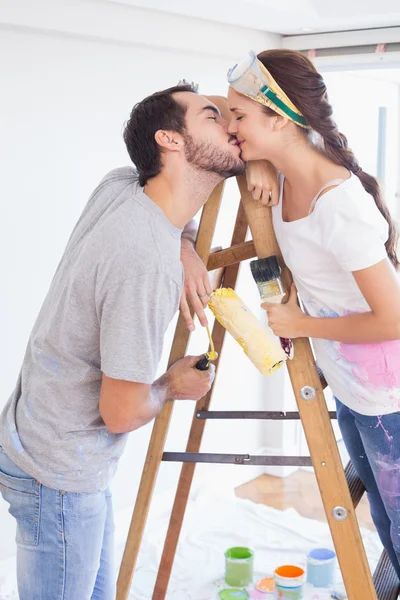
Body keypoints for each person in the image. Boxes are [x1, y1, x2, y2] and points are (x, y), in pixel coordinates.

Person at [0, 82, 248, 599]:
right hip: (60, 471)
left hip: (43, 436)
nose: (232, 124)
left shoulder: (120, 187)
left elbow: (163, 211)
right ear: (170, 140)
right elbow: (121, 411)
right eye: (212, 115)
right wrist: (172, 384)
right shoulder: (143, 264)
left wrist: (184, 245)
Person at [223, 48, 400, 578]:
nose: (229, 127)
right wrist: (255, 156)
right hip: (351, 387)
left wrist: (301, 326)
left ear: (279, 117)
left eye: (240, 118)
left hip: (386, 396)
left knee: (399, 527)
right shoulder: (281, 171)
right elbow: (214, 105)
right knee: (387, 524)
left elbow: (394, 319)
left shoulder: (337, 203)